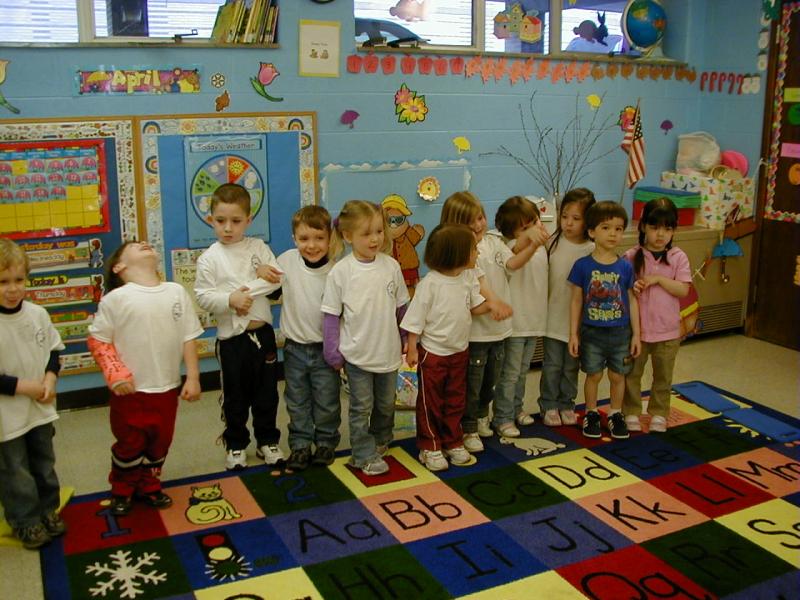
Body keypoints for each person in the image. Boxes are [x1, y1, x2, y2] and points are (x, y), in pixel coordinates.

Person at [88, 240, 202, 516]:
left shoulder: (175, 291)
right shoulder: (115, 299)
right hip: (130, 391)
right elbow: (99, 340)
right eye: (134, 245)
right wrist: (115, 374)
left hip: (167, 387)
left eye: (144, 243)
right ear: (119, 266)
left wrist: (193, 377)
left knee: (160, 442)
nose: (143, 244)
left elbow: (188, 337)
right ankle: (122, 488)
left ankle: (149, 484)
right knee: (129, 443)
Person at [194, 183, 284, 471]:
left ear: (248, 220)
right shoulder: (209, 258)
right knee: (235, 396)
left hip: (263, 335)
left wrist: (250, 288)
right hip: (232, 340)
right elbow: (203, 296)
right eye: (221, 221)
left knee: (267, 393)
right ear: (211, 219)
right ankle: (235, 444)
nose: (228, 228)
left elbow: (277, 279)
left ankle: (267, 440)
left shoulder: (258, 248)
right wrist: (230, 300)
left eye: (236, 221)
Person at [439, 191, 538, 452]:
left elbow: (512, 263)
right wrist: (493, 303)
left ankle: (482, 415)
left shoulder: (494, 243)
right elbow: (476, 286)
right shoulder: (461, 253)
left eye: (480, 218)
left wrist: (532, 246)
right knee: (472, 385)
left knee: (489, 382)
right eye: (469, 221)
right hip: (476, 334)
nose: (477, 225)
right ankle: (469, 426)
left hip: (499, 331)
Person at [321, 200, 409, 476]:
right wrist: (332, 351)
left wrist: (408, 338)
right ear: (348, 236)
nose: (375, 239)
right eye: (367, 233)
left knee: (386, 403)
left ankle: (381, 438)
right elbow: (331, 315)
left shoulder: (391, 266)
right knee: (361, 407)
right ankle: (362, 453)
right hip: (357, 355)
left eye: (379, 231)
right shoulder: (340, 272)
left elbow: (402, 307)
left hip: (388, 353)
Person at [401, 224, 489, 471]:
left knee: (455, 399)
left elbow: (475, 306)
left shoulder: (467, 279)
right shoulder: (430, 284)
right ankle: (430, 445)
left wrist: (495, 306)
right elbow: (415, 319)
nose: (478, 254)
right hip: (433, 354)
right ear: (457, 254)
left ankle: (452, 440)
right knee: (431, 402)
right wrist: (412, 347)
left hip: (459, 351)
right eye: (474, 250)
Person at [0, 238, 66, 549]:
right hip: (7, 417)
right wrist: (22, 387)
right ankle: (25, 520)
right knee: (14, 469)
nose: (12, 289)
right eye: (3, 282)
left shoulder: (38, 314)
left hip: (39, 409)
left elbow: (53, 350)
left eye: (18, 280)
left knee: (43, 461)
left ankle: (48, 509)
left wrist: (50, 378)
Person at [568, 201, 640, 439]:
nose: (613, 234)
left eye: (618, 229)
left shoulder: (625, 266)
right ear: (592, 232)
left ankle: (615, 413)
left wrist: (637, 335)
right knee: (594, 374)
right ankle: (590, 412)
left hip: (621, 332)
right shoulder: (582, 266)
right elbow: (576, 301)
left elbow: (632, 300)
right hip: (592, 332)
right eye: (606, 228)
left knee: (618, 375)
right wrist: (573, 334)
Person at [276, 205, 341, 470]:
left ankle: (325, 442)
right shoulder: (286, 261)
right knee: (297, 400)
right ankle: (300, 445)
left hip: (325, 349)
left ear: (329, 238)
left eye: (319, 238)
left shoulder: (337, 271)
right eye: (304, 239)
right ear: (294, 239)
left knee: (327, 400)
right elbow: (268, 289)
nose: (311, 245)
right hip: (294, 348)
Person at [623, 198, 691, 433]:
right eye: (654, 227)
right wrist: (633, 287)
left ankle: (659, 413)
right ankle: (631, 411)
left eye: (667, 228)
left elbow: (683, 289)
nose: (661, 234)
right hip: (637, 331)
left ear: (673, 230)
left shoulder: (678, 257)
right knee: (632, 374)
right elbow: (622, 289)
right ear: (643, 226)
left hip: (668, 331)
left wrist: (659, 279)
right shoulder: (631, 255)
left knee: (663, 376)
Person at [491, 197, 549, 437]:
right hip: (515, 324)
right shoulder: (511, 247)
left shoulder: (541, 247)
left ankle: (516, 408)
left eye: (535, 222)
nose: (534, 229)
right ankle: (502, 416)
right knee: (511, 372)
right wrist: (530, 240)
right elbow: (516, 252)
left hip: (533, 321)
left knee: (523, 370)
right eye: (525, 227)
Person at [539, 188, 596, 427]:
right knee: (552, 365)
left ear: (588, 221)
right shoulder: (552, 242)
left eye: (576, 218)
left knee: (571, 366)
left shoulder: (591, 249)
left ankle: (567, 403)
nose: (568, 223)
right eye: (564, 217)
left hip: (578, 322)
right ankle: (548, 403)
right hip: (553, 317)